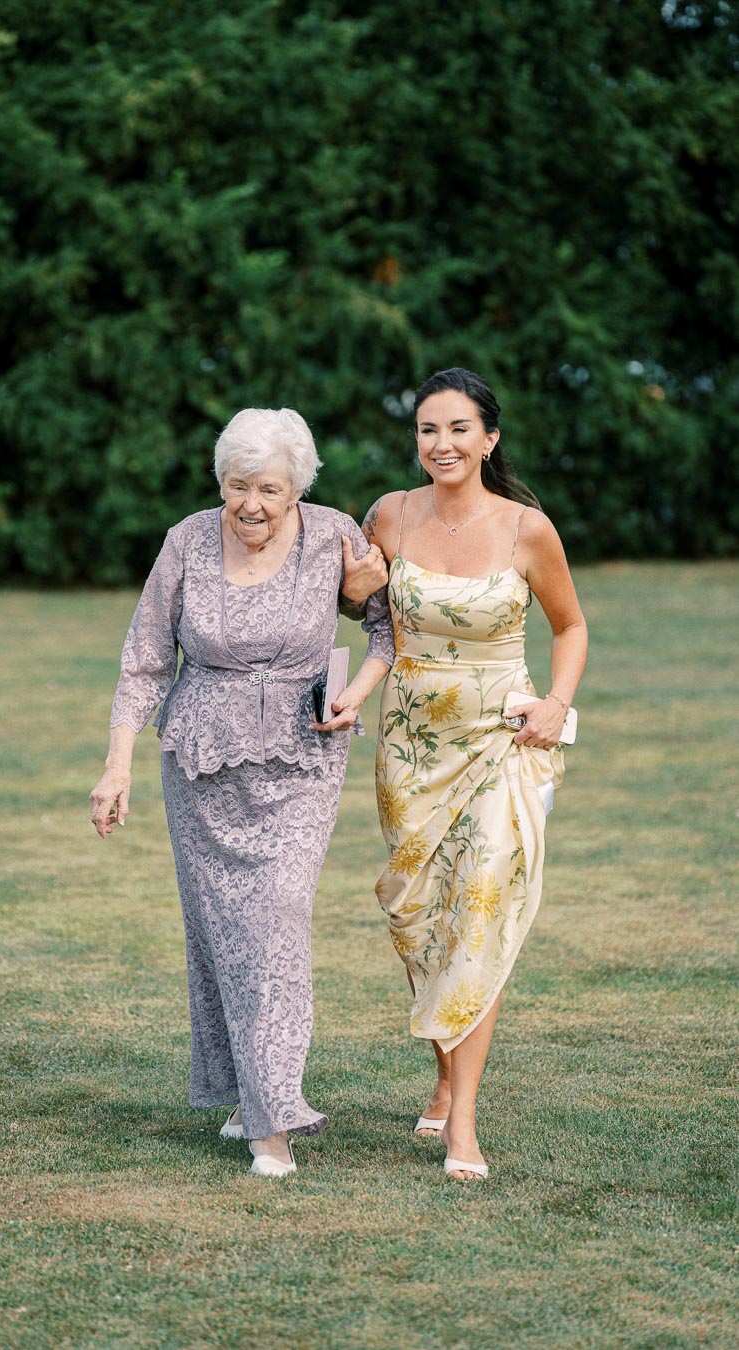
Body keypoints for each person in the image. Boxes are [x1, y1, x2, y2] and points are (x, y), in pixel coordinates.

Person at [89, 407, 393, 1178]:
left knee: (277, 918)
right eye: (236, 486)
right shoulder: (187, 541)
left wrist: (355, 693)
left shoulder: (334, 536)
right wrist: (117, 765)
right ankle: (249, 1101)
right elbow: (145, 659)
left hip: (302, 757)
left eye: (269, 490)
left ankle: (271, 1120)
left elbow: (388, 631)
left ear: (297, 489)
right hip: (201, 762)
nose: (250, 504)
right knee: (221, 932)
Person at [364, 368, 588, 1182]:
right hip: (411, 748)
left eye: (459, 428)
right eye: (429, 429)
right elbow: (359, 611)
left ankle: (463, 1123)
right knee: (420, 918)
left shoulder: (528, 529)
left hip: (501, 743)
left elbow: (570, 625)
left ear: (489, 439)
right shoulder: (390, 515)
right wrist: (353, 591)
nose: (442, 443)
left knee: (480, 914)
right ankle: (443, 1073)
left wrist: (557, 702)